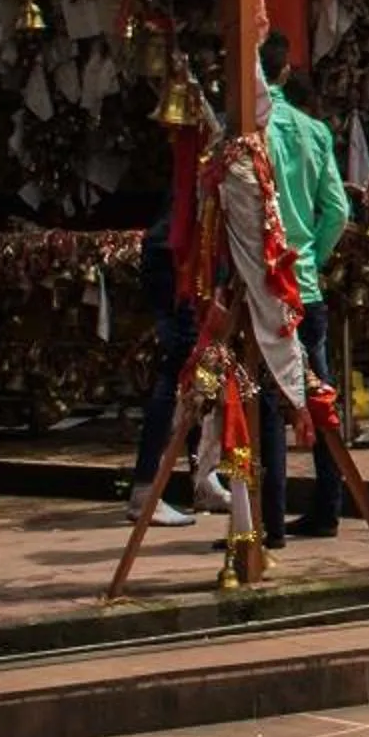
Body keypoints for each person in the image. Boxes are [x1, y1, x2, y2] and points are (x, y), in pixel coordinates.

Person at [256, 33, 350, 542]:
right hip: (305, 284)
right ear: (286, 73)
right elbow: (337, 211)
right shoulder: (313, 131)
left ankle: (268, 523)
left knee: (266, 399)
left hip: (263, 283)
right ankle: (328, 508)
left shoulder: (249, 130)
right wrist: (312, 254)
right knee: (319, 395)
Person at [127, 211, 198, 528]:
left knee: (198, 368)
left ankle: (203, 477)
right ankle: (146, 491)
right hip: (178, 256)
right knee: (178, 369)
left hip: (181, 250)